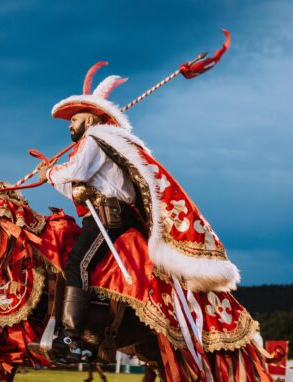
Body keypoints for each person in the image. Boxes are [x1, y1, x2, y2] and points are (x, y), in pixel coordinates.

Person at [34, 62, 240, 363]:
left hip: (107, 218)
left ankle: (70, 338)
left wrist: (51, 173)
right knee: (82, 266)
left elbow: (76, 171)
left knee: (78, 263)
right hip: (99, 214)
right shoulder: (98, 144)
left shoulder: (95, 138)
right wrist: (52, 177)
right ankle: (90, 331)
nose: (70, 125)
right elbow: (76, 186)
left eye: (74, 119)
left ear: (90, 119)